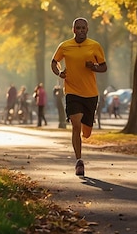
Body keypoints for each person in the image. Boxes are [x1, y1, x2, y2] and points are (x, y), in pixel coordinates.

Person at [51, 17, 107, 177]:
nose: (81, 30)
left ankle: (87, 127)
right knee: (76, 124)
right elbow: (54, 62)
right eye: (78, 28)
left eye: (84, 28)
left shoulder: (94, 46)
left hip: (90, 94)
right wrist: (59, 73)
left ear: (87, 30)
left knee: (86, 132)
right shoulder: (65, 46)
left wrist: (94, 67)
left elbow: (104, 67)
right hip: (72, 91)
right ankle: (79, 161)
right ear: (73, 30)